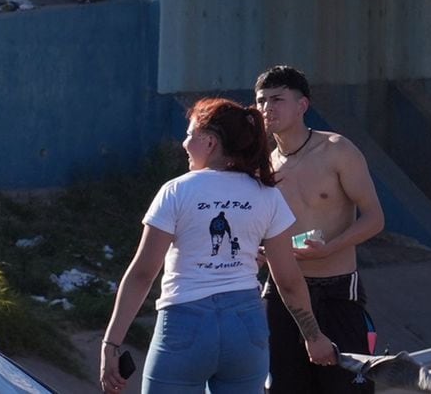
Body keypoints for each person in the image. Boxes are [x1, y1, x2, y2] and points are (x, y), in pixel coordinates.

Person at [99, 98, 336, 394]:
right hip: (246, 329)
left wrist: (111, 343)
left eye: (190, 135)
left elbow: (143, 274)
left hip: (185, 327)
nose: (184, 144)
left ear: (210, 142)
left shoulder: (176, 191)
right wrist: (313, 336)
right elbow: (288, 280)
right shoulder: (267, 195)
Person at [254, 66, 385, 393]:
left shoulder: (337, 150)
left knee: (345, 387)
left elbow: (374, 218)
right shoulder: (264, 167)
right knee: (283, 386)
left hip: (337, 289)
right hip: (282, 291)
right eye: (261, 101)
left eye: (278, 99)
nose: (268, 108)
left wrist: (332, 247)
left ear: (302, 106)